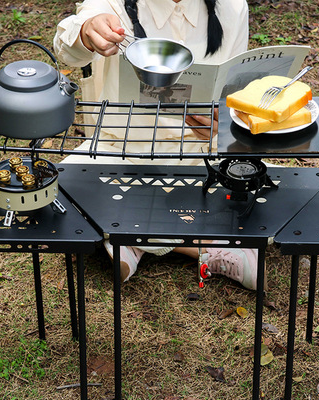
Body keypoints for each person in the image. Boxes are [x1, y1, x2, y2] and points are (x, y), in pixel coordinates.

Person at [54, 0, 262, 291]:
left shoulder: (232, 6)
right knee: (58, 189)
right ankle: (205, 247)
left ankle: (129, 236)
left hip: (201, 154)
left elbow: (234, 90)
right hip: (121, 153)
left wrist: (222, 122)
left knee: (275, 190)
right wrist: (87, 30)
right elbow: (67, 48)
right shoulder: (113, 3)